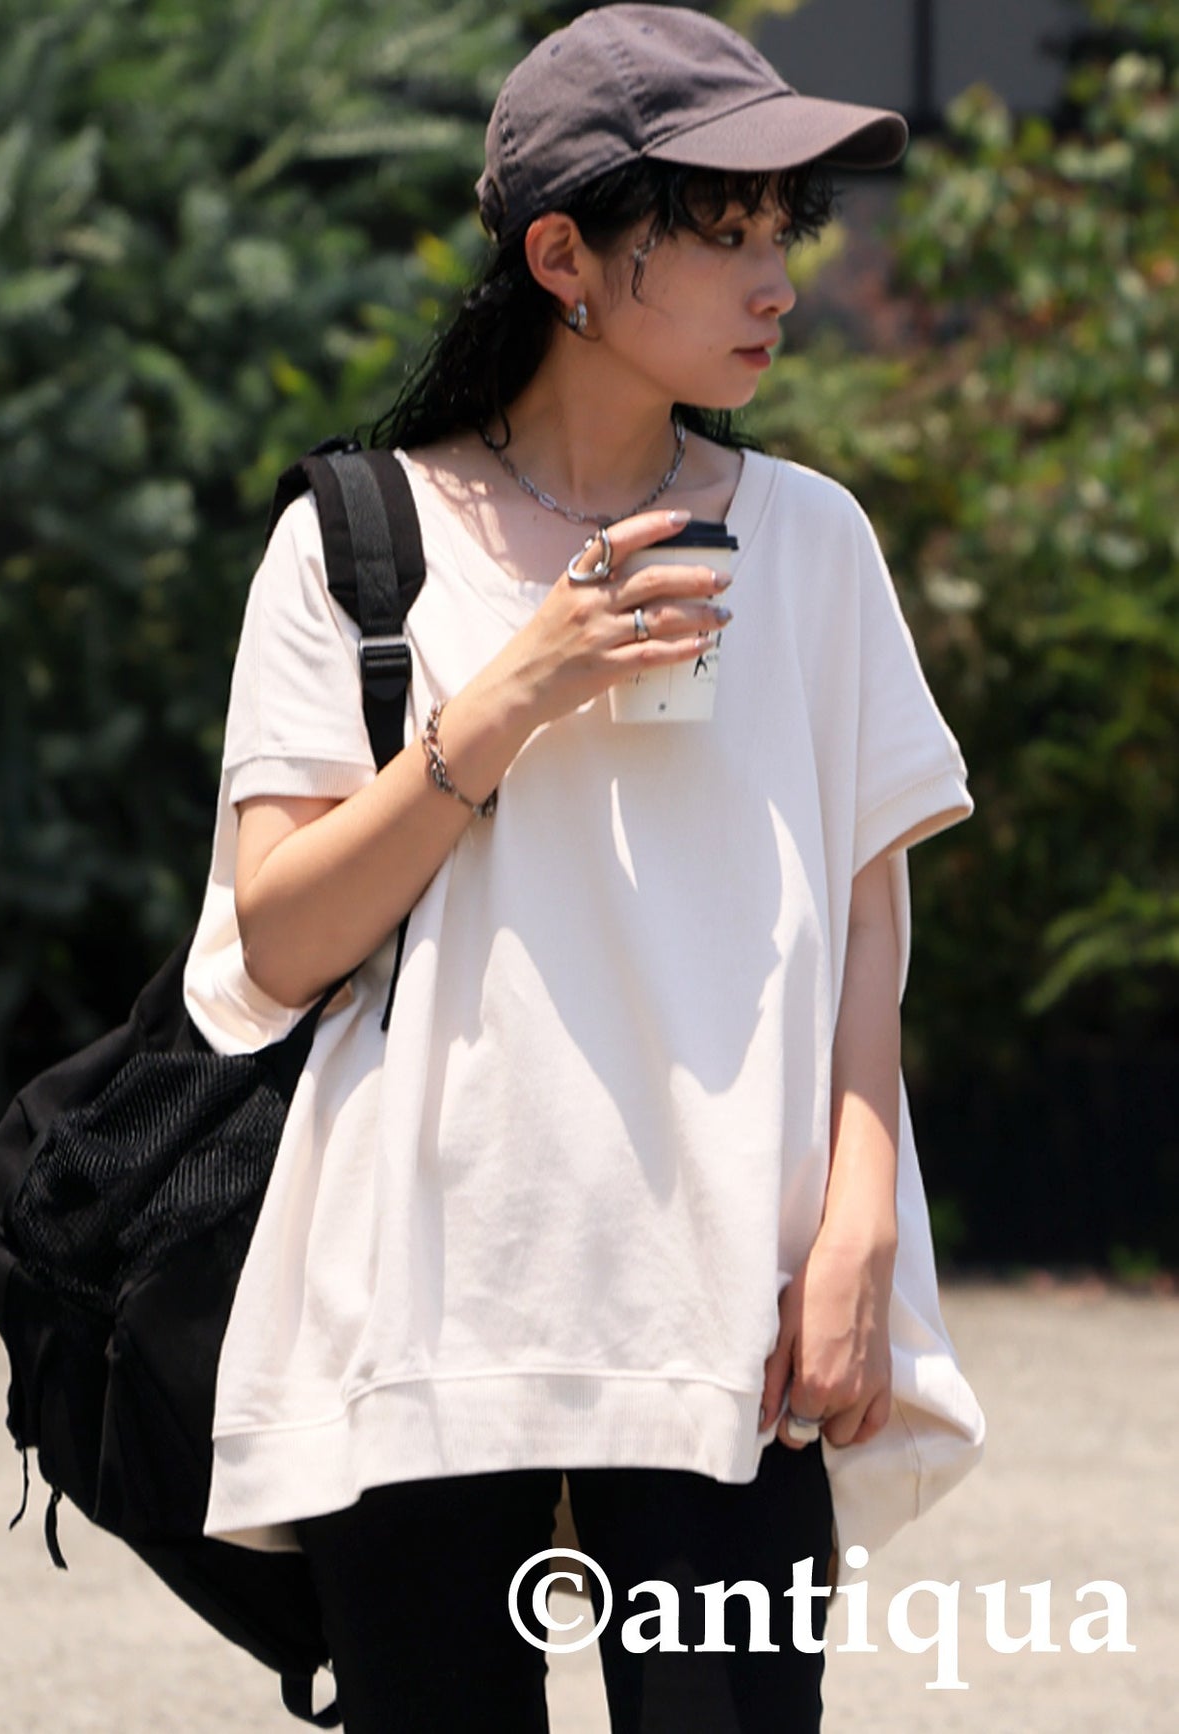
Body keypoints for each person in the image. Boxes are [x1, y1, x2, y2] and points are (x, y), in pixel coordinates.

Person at [184, 7, 984, 1729]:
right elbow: (276, 943)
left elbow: (865, 924)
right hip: (424, 1312)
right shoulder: (354, 545)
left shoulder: (810, 541)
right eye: (721, 230)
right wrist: (513, 691)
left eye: (782, 230)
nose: (776, 280)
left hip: (727, 1310)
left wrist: (858, 1225)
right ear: (561, 257)